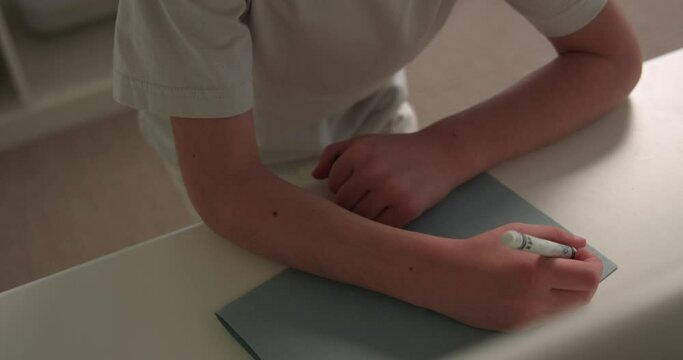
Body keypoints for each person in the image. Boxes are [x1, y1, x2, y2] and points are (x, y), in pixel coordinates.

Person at [113, 0, 641, 330]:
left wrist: (443, 150)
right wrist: (446, 276)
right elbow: (227, 186)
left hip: (372, 114)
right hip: (226, 140)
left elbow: (609, 58)